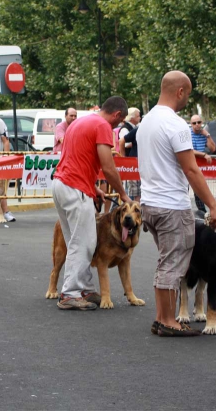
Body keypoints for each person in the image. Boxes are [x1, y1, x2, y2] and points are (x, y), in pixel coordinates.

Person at [137, 71, 216, 336]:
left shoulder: (147, 121)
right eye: (188, 94)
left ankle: (161, 317)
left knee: (166, 260)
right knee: (173, 263)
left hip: (150, 203)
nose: (188, 99)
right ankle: (167, 320)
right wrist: (214, 206)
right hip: (170, 205)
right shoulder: (175, 124)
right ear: (180, 91)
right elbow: (191, 170)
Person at [52, 96, 132, 311]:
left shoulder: (80, 121)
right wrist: (123, 194)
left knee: (74, 240)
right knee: (85, 242)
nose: (117, 126)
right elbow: (108, 166)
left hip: (62, 183)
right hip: (74, 188)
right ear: (117, 115)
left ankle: (84, 288)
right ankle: (70, 293)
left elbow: (76, 158)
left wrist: (93, 188)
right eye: (120, 121)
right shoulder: (103, 126)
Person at [190, 114, 216, 213]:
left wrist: (207, 135)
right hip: (188, 165)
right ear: (191, 124)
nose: (197, 125)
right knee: (186, 189)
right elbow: (189, 150)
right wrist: (204, 154)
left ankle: (202, 212)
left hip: (199, 167)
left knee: (199, 189)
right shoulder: (188, 133)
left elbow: (213, 149)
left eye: (199, 122)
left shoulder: (204, 133)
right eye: (194, 123)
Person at [118, 125, 141, 201]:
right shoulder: (138, 129)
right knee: (136, 195)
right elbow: (122, 141)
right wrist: (123, 157)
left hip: (145, 164)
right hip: (134, 164)